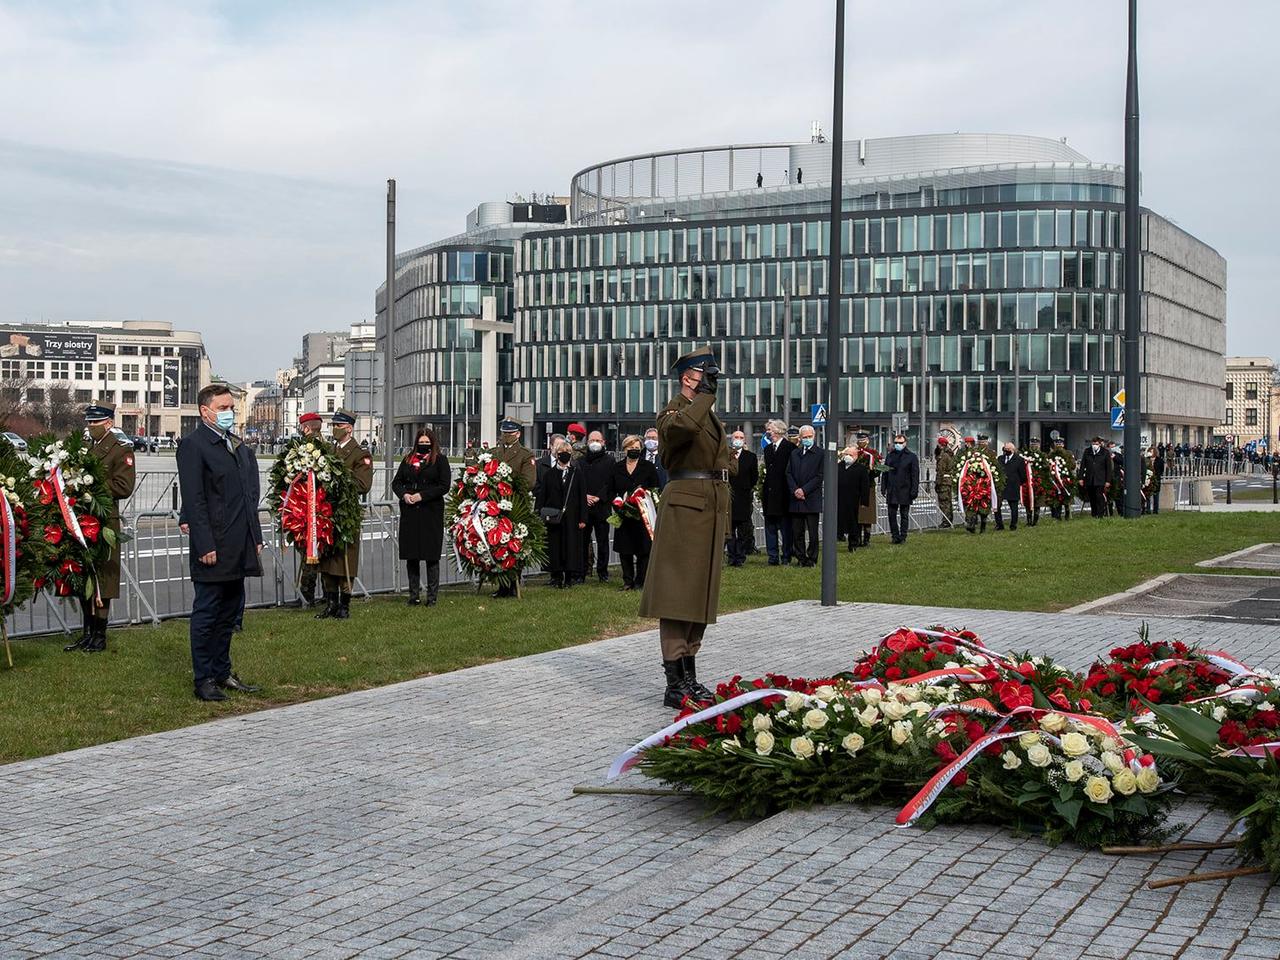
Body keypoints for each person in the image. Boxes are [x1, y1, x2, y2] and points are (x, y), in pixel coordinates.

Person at [638, 345, 730, 708]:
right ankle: (674, 683)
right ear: (688, 377)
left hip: (707, 509)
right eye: (705, 375)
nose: (710, 381)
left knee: (699, 595)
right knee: (678, 596)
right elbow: (681, 430)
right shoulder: (674, 412)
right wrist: (703, 397)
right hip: (686, 511)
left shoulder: (707, 415)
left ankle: (689, 676)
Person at [176, 383, 263, 702]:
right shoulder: (193, 445)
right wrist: (205, 544)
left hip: (239, 543)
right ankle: (204, 678)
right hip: (213, 543)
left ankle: (222, 670)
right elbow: (195, 500)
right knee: (208, 612)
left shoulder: (236, 444)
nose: (230, 412)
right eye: (224, 408)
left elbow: (248, 495)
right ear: (205, 411)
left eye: (231, 408)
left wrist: (256, 537)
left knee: (230, 611)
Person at [64, 400, 137, 653]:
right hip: (80, 520)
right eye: (89, 422)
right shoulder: (85, 447)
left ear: (109, 422)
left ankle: (100, 635)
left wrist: (91, 488)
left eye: (95, 422)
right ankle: (87, 632)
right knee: (83, 576)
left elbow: (124, 486)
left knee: (103, 579)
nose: (90, 426)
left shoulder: (120, 449)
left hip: (104, 520)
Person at [317, 409, 374, 619]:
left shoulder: (360, 454)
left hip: (346, 513)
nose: (334, 429)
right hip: (327, 512)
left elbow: (362, 484)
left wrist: (337, 479)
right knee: (327, 558)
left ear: (348, 428)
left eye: (338, 426)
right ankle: (330, 603)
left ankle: (344, 604)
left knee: (345, 558)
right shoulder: (329, 451)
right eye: (333, 425)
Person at [392, 428, 450, 606]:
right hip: (410, 512)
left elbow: (444, 486)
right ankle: (413, 595)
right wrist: (404, 495)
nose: (424, 446)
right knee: (412, 555)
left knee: (431, 555)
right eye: (421, 442)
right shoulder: (408, 459)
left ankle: (432, 597)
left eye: (427, 443)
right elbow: (397, 482)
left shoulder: (439, 460)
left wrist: (422, 496)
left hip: (430, 511)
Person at [492, 418, 539, 598]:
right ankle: (501, 585)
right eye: (504, 432)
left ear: (518, 434)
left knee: (513, 546)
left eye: (510, 433)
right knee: (497, 545)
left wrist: (504, 483)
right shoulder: (493, 452)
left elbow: (528, 481)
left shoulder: (525, 455)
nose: (506, 436)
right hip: (495, 504)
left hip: (515, 505)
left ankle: (513, 584)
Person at [536, 437, 588, 588]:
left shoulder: (576, 474)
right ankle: (556, 576)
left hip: (572, 518)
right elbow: (542, 496)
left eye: (567, 452)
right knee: (555, 547)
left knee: (571, 547)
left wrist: (583, 518)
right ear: (556, 454)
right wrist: (540, 514)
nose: (564, 454)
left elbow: (582, 497)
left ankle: (569, 577)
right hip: (553, 518)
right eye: (561, 452)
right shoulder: (549, 475)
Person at [611, 435, 660, 590]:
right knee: (624, 550)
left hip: (642, 514)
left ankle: (641, 581)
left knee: (643, 550)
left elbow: (655, 488)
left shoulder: (648, 467)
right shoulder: (617, 467)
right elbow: (611, 488)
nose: (634, 451)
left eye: (637, 448)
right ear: (625, 449)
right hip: (623, 514)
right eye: (631, 448)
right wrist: (618, 504)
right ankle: (627, 581)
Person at [292, 411, 326, 608]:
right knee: (317, 553)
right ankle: (325, 592)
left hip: (309, 507)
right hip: (321, 508)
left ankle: (307, 594)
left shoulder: (306, 449)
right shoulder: (328, 447)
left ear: (306, 428)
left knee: (310, 553)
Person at [580, 430, 615, 584]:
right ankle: (581, 572)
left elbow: (611, 483)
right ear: (587, 443)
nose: (595, 443)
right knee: (582, 542)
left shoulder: (610, 461)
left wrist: (598, 497)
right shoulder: (580, 461)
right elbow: (578, 483)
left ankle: (603, 572)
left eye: (597, 440)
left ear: (603, 442)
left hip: (602, 507)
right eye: (591, 440)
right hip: (585, 507)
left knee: (603, 542)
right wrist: (585, 496)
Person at [786, 424, 823, 567]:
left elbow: (819, 476)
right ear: (800, 438)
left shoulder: (820, 453)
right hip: (796, 499)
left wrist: (804, 490)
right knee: (797, 532)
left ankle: (812, 558)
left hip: (811, 498)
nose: (807, 439)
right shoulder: (795, 453)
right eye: (805, 437)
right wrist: (795, 489)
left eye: (810, 437)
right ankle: (801, 558)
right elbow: (788, 473)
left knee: (813, 533)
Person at [761, 420, 795, 565]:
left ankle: (786, 556)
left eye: (771, 430)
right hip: (769, 494)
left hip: (784, 495)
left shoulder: (790, 448)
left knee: (785, 528)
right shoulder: (768, 449)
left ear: (779, 431)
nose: (769, 432)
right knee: (770, 528)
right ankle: (772, 557)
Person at [726, 429, 758, 567]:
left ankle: (740, 555)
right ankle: (732, 556)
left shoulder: (750, 457)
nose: (738, 439)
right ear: (731, 439)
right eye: (736, 437)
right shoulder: (725, 455)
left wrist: (746, 488)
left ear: (744, 440)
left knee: (742, 529)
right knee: (730, 529)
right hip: (728, 496)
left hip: (743, 497)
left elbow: (754, 477)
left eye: (741, 437)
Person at [881, 433, 919, 544]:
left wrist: (914, 490)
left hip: (905, 490)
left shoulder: (911, 457)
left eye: (900, 443)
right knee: (891, 514)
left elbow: (915, 475)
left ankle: (903, 536)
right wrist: (883, 487)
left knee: (904, 514)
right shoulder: (890, 455)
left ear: (905, 443)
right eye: (896, 443)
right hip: (892, 489)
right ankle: (895, 535)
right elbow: (885, 472)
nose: (897, 445)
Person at [836, 446, 867, 551]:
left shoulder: (861, 469)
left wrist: (863, 501)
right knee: (839, 519)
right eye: (846, 454)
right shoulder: (838, 467)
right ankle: (839, 536)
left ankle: (853, 543)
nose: (848, 457)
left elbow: (864, 486)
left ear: (856, 456)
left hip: (854, 500)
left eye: (851, 455)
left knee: (853, 522)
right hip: (839, 498)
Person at [995, 441, 1027, 531]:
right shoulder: (1000, 458)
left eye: (1008, 449)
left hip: (1013, 486)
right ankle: (999, 525)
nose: (1006, 450)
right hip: (1001, 486)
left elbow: (1023, 475)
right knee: (997, 506)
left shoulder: (1019, 460)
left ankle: (1013, 525)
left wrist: (1017, 483)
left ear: (1013, 450)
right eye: (1005, 449)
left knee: (1013, 507)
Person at [1078, 436, 1113, 518]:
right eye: (1093, 443)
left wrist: (1108, 480)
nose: (1095, 445)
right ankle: (1094, 514)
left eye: (1096, 443)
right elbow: (1083, 465)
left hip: (1100, 479)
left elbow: (1108, 468)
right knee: (1092, 497)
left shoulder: (1105, 452)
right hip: (1090, 478)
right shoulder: (1087, 451)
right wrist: (1081, 478)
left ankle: (1100, 514)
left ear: (1100, 444)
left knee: (1099, 496)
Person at [934, 436, 956, 525]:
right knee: (948, 502)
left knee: (944, 502)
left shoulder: (943, 456)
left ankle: (946, 521)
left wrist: (938, 483)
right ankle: (949, 520)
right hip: (948, 481)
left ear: (941, 445)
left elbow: (940, 471)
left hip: (943, 482)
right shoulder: (949, 454)